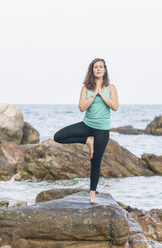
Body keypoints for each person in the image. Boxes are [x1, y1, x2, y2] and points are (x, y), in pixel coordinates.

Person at [53, 58, 119, 204]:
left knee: (95, 161)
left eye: (101, 67)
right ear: (92, 70)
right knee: (58, 136)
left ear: (105, 70)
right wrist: (94, 93)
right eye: (96, 67)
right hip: (87, 124)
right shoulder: (85, 88)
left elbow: (115, 106)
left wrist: (102, 94)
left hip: (102, 129)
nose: (99, 69)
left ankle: (92, 195)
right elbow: (82, 107)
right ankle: (87, 140)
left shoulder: (111, 88)